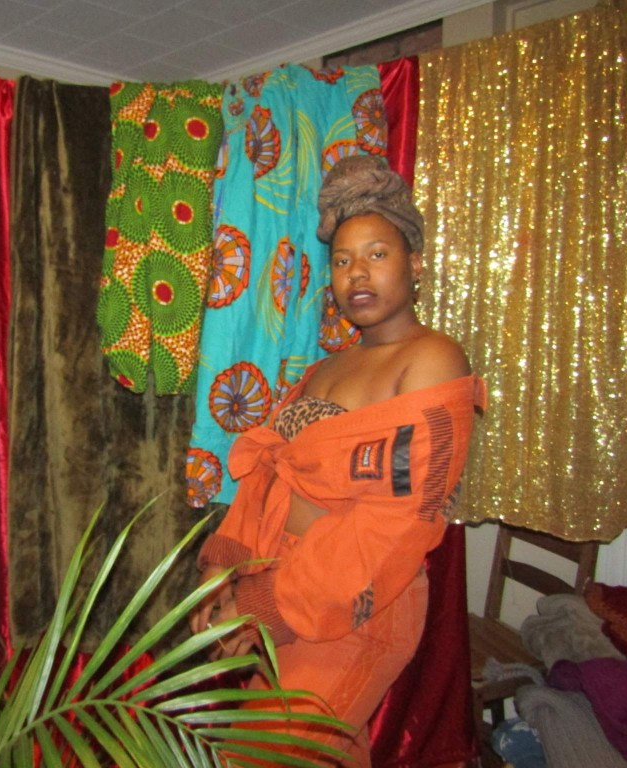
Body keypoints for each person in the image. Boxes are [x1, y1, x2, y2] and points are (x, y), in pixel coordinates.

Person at [189, 154, 486, 767]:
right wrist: (225, 574)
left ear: (416, 264)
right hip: (281, 583)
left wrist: (263, 606)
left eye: (378, 254)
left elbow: (397, 523)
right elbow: (267, 480)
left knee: (259, 755)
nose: (358, 273)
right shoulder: (326, 366)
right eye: (343, 260)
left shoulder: (432, 360)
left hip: (356, 604)